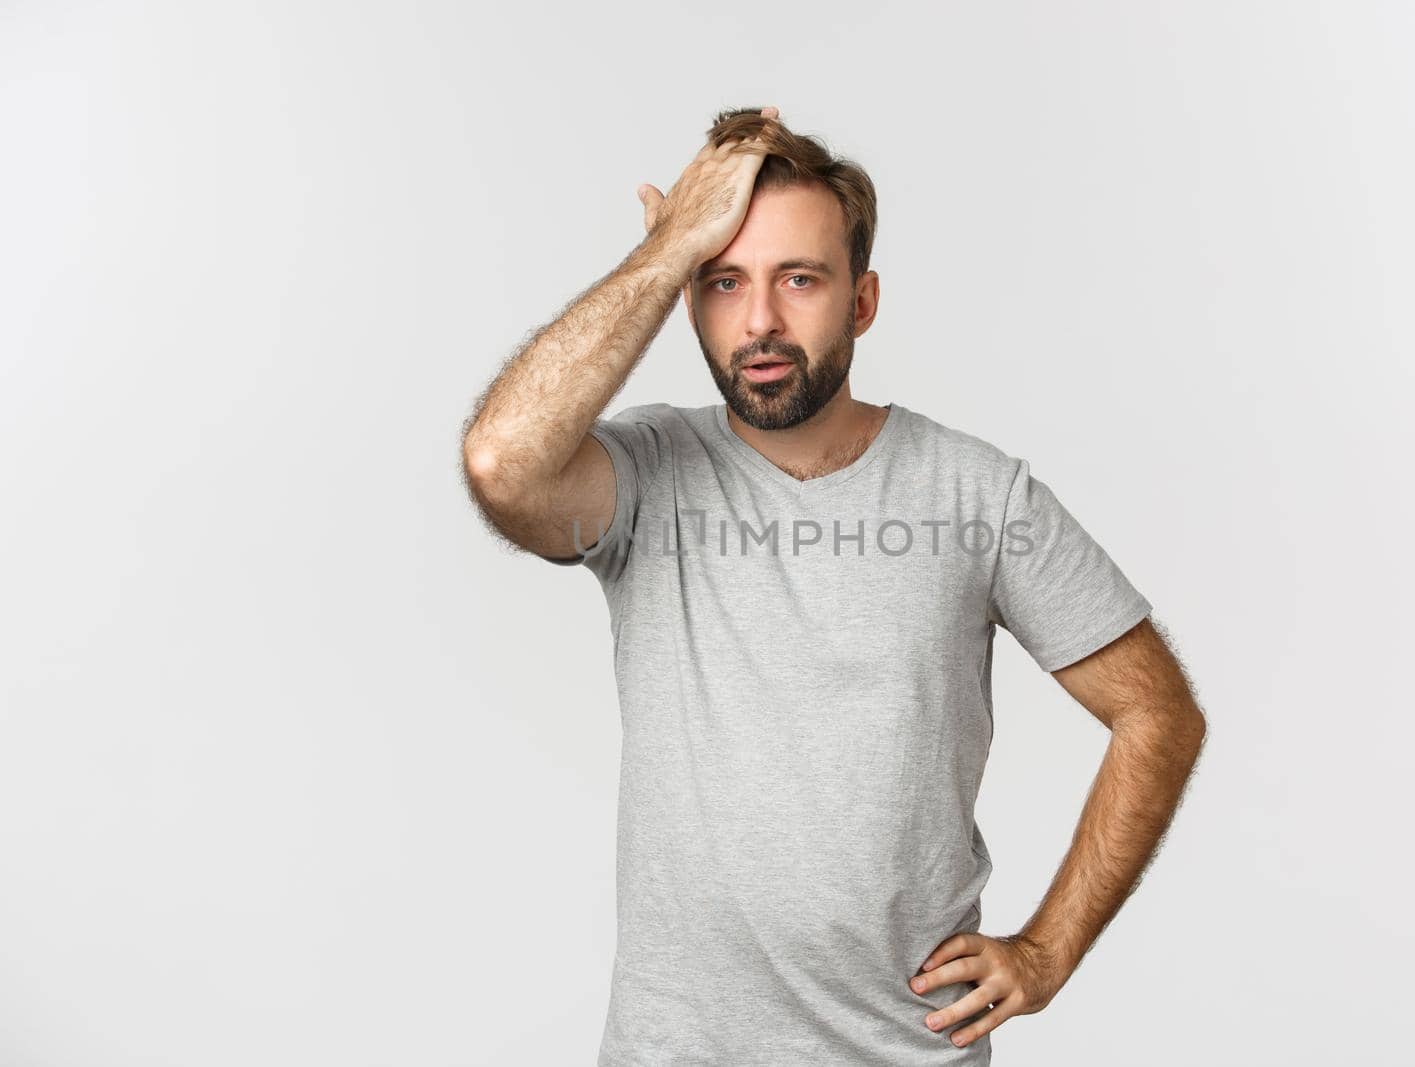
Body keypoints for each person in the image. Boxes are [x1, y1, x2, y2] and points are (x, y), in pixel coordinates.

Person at [460, 105, 1207, 1065]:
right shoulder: (645, 474)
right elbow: (501, 463)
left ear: (862, 300)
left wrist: (1047, 950)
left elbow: (1158, 713)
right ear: (688, 301)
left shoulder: (976, 492)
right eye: (722, 283)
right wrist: (669, 249)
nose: (760, 320)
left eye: (799, 279)